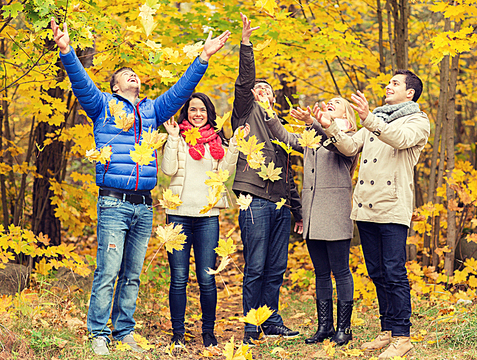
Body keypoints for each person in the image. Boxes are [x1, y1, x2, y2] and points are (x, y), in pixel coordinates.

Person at [51, 18, 230, 356]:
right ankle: (98, 333)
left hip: (144, 205)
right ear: (116, 85)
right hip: (113, 203)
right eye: (125, 73)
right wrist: (67, 52)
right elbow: (81, 83)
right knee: (109, 270)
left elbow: (179, 91)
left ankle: (123, 330)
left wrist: (203, 58)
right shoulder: (102, 106)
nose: (133, 75)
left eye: (135, 73)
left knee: (132, 273)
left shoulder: (150, 111)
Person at [318, 70, 430, 359]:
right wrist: (330, 128)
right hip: (366, 207)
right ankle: (387, 330)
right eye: (388, 82)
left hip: (392, 206)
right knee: (377, 272)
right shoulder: (375, 119)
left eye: (395, 83)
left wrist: (368, 118)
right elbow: (350, 147)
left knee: (394, 271)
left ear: (410, 93)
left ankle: (402, 337)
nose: (387, 86)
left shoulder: (417, 120)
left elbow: (400, 139)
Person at [261, 97, 357, 346]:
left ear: (347, 112)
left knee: (341, 271)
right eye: (329, 101)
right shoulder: (313, 136)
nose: (330, 102)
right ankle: (325, 326)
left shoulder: (349, 137)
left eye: (337, 102)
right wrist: (270, 113)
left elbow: (336, 143)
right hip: (313, 215)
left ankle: (344, 329)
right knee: (321, 273)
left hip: (335, 213)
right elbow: (286, 138)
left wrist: (316, 122)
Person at [231, 13, 302, 346]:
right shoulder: (246, 113)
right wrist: (246, 46)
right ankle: (250, 325)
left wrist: (298, 211)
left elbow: (291, 174)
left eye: (266, 90)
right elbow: (245, 83)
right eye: (258, 88)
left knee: (276, 267)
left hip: (281, 204)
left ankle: (271, 321)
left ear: (272, 99)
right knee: (255, 265)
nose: (260, 91)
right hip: (254, 198)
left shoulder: (279, 127)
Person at [161, 93, 250, 349]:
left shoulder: (218, 141)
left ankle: (208, 331)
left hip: (207, 217)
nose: (197, 114)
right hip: (177, 215)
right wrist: (173, 138)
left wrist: (233, 146)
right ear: (186, 113)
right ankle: (178, 333)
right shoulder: (178, 137)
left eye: (201, 110)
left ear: (208, 113)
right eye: (192, 110)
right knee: (178, 277)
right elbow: (167, 169)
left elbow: (224, 175)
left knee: (206, 277)